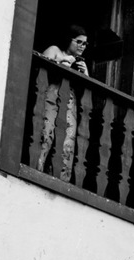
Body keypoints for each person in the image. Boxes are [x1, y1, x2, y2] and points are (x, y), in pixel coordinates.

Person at [37, 26, 89, 181]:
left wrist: (85, 74)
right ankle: (37, 169)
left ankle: (61, 179)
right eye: (79, 42)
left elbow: (85, 92)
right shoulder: (55, 50)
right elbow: (40, 66)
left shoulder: (80, 63)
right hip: (52, 96)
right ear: (69, 39)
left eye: (85, 44)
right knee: (46, 134)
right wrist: (62, 62)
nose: (82, 46)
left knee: (68, 143)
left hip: (69, 103)